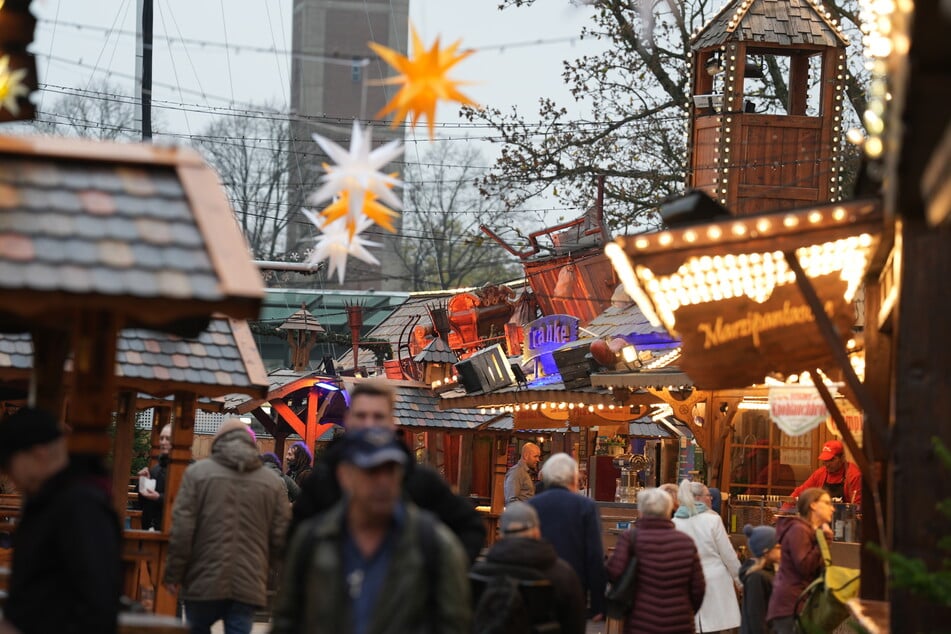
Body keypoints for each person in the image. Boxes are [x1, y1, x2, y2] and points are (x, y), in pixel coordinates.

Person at [271, 427, 471, 634]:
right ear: (345, 476)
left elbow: (454, 624)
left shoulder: (433, 544)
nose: (383, 481)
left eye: (391, 470)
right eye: (371, 471)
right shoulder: (313, 541)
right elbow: (287, 621)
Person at [290, 378, 486, 562]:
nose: (369, 424)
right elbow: (295, 536)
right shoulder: (325, 479)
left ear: (391, 423)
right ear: (349, 420)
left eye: (378, 416)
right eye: (361, 416)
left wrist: (435, 577)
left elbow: (470, 528)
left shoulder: (418, 481)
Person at [0, 407, 120, 634]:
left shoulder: (81, 505)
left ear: (38, 454)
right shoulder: (53, 498)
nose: (11, 477)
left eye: (10, 465)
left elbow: (97, 605)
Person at [164, 418, 289, 634]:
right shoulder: (271, 483)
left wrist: (174, 574)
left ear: (217, 441)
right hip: (248, 583)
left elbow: (182, 530)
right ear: (252, 444)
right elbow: (281, 538)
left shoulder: (197, 474)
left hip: (201, 580)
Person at [471, 502, 586, 634]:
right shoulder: (563, 575)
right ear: (537, 532)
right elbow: (575, 625)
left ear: (501, 535)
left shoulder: (478, 574)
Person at [605, 488, 705, 634]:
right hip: (679, 622)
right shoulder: (686, 542)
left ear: (641, 511)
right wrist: (686, 611)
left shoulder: (630, 538)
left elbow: (614, 572)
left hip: (640, 622)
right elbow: (698, 588)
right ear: (669, 510)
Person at [528, 453, 606, 620]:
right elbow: (594, 554)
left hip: (536, 584)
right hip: (574, 585)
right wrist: (598, 603)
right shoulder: (585, 506)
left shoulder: (532, 506)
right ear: (573, 478)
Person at [672, 479, 742, 634]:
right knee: (714, 629)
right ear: (697, 498)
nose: (711, 498)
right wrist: (740, 580)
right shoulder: (713, 520)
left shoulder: (674, 523)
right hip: (715, 582)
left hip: (687, 584)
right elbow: (728, 554)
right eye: (708, 495)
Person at [766, 488, 835, 634]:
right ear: (813, 505)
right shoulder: (799, 530)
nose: (832, 508)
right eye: (827, 503)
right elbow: (804, 566)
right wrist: (824, 541)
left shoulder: (811, 531)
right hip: (790, 606)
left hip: (800, 605)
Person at [790, 440, 862, 505]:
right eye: (825, 460)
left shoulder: (854, 475)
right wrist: (783, 512)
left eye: (831, 460)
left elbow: (858, 506)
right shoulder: (821, 473)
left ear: (842, 458)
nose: (827, 464)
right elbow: (800, 492)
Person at [740, 524, 780, 634]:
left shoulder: (769, 572)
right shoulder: (757, 578)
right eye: (777, 547)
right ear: (766, 550)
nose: (781, 551)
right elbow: (756, 617)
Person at [137, 422, 171, 531]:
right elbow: (141, 503)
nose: (163, 442)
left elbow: (186, 501)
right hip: (151, 529)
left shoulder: (188, 468)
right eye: (161, 438)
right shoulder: (155, 469)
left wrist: (159, 497)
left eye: (168, 438)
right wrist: (143, 482)